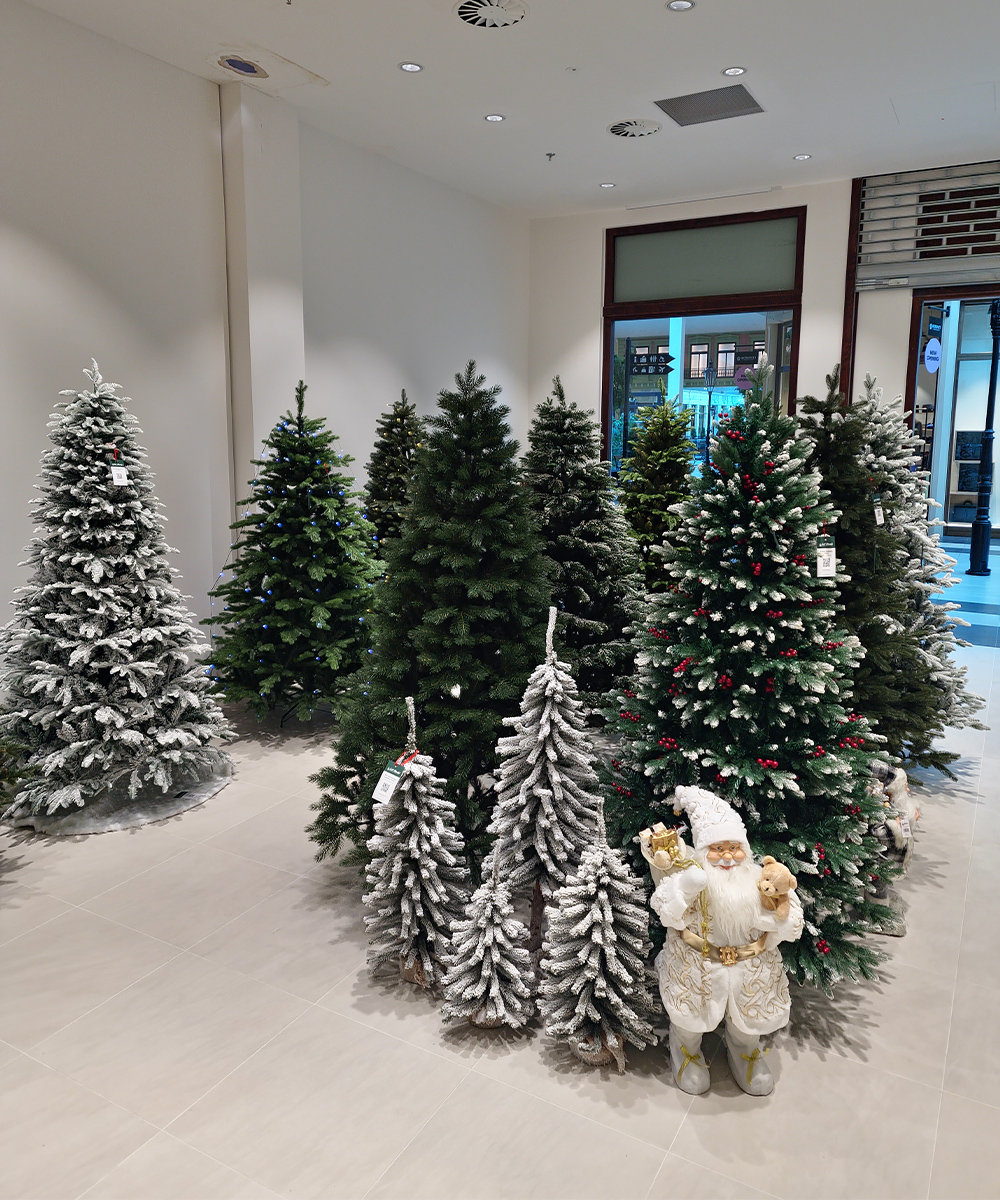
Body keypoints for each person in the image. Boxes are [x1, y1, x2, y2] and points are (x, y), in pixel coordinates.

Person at [650, 785, 804, 1096]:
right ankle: (685, 1048)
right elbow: (665, 908)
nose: (727, 857)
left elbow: (791, 913)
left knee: (747, 1018)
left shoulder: (758, 878)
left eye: (734, 848)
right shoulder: (692, 878)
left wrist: (775, 921)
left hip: (749, 965)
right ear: (702, 850)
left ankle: (743, 1049)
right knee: (691, 1019)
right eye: (717, 848)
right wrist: (685, 891)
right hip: (699, 966)